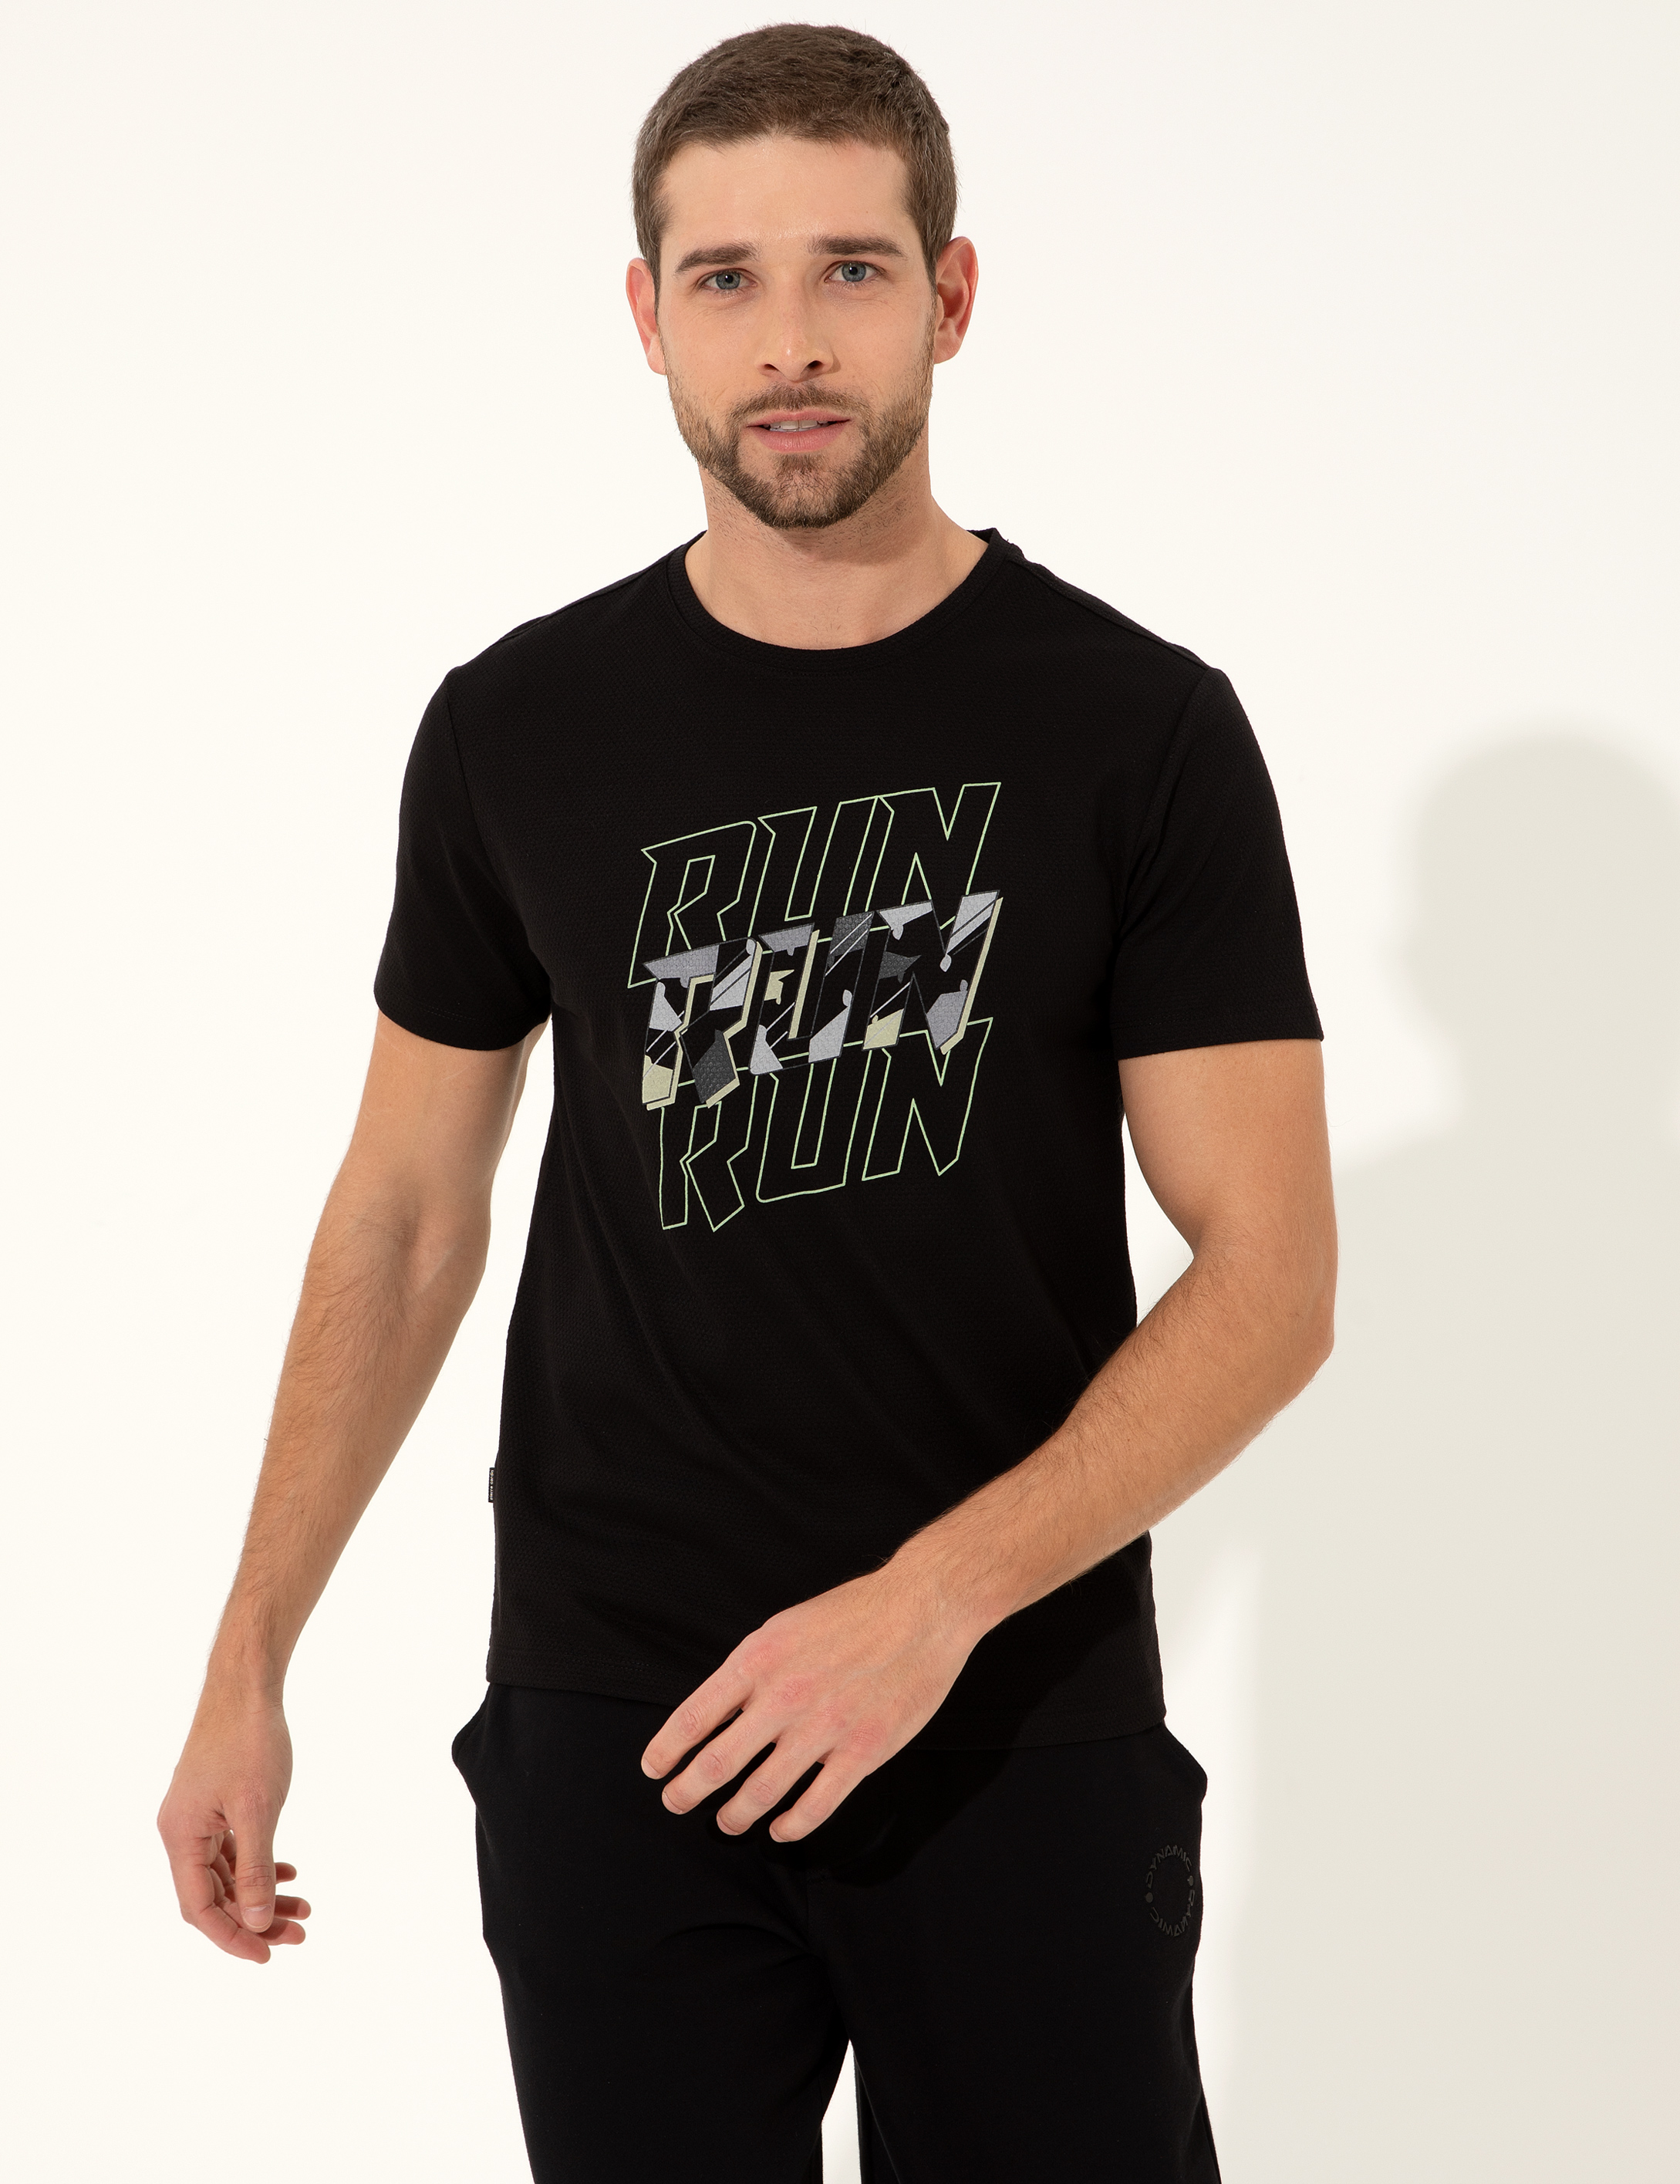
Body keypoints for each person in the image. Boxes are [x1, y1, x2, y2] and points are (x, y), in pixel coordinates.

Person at [157, 24, 1335, 2183]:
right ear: (648, 316)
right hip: (622, 1727)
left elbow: (1269, 1280)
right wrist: (250, 1657)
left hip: (1011, 1715)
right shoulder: (518, 728)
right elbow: (406, 1213)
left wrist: (929, 1606)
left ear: (949, 296)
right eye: (725, 278)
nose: (789, 340)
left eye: (850, 270)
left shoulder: (1140, 730)